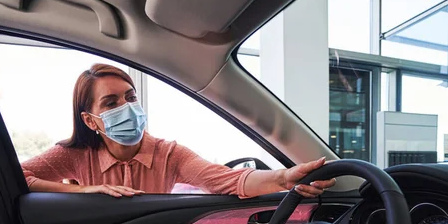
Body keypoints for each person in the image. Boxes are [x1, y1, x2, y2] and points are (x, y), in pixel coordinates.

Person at [21, 64, 335, 198]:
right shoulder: (74, 154)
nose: (126, 108)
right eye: (111, 103)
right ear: (90, 120)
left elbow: (227, 180)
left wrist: (283, 178)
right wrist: (84, 191)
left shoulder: (168, 153)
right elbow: (18, 176)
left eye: (131, 98)